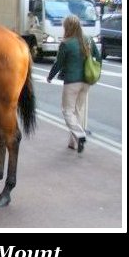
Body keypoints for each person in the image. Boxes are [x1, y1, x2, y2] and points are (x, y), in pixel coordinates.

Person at [47, 15, 101, 153]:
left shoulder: (66, 43)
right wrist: (94, 69)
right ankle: (74, 143)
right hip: (86, 82)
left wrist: (50, 76)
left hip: (71, 82)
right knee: (77, 111)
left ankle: (80, 135)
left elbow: (58, 64)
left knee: (67, 111)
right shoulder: (88, 40)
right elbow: (98, 56)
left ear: (67, 27)